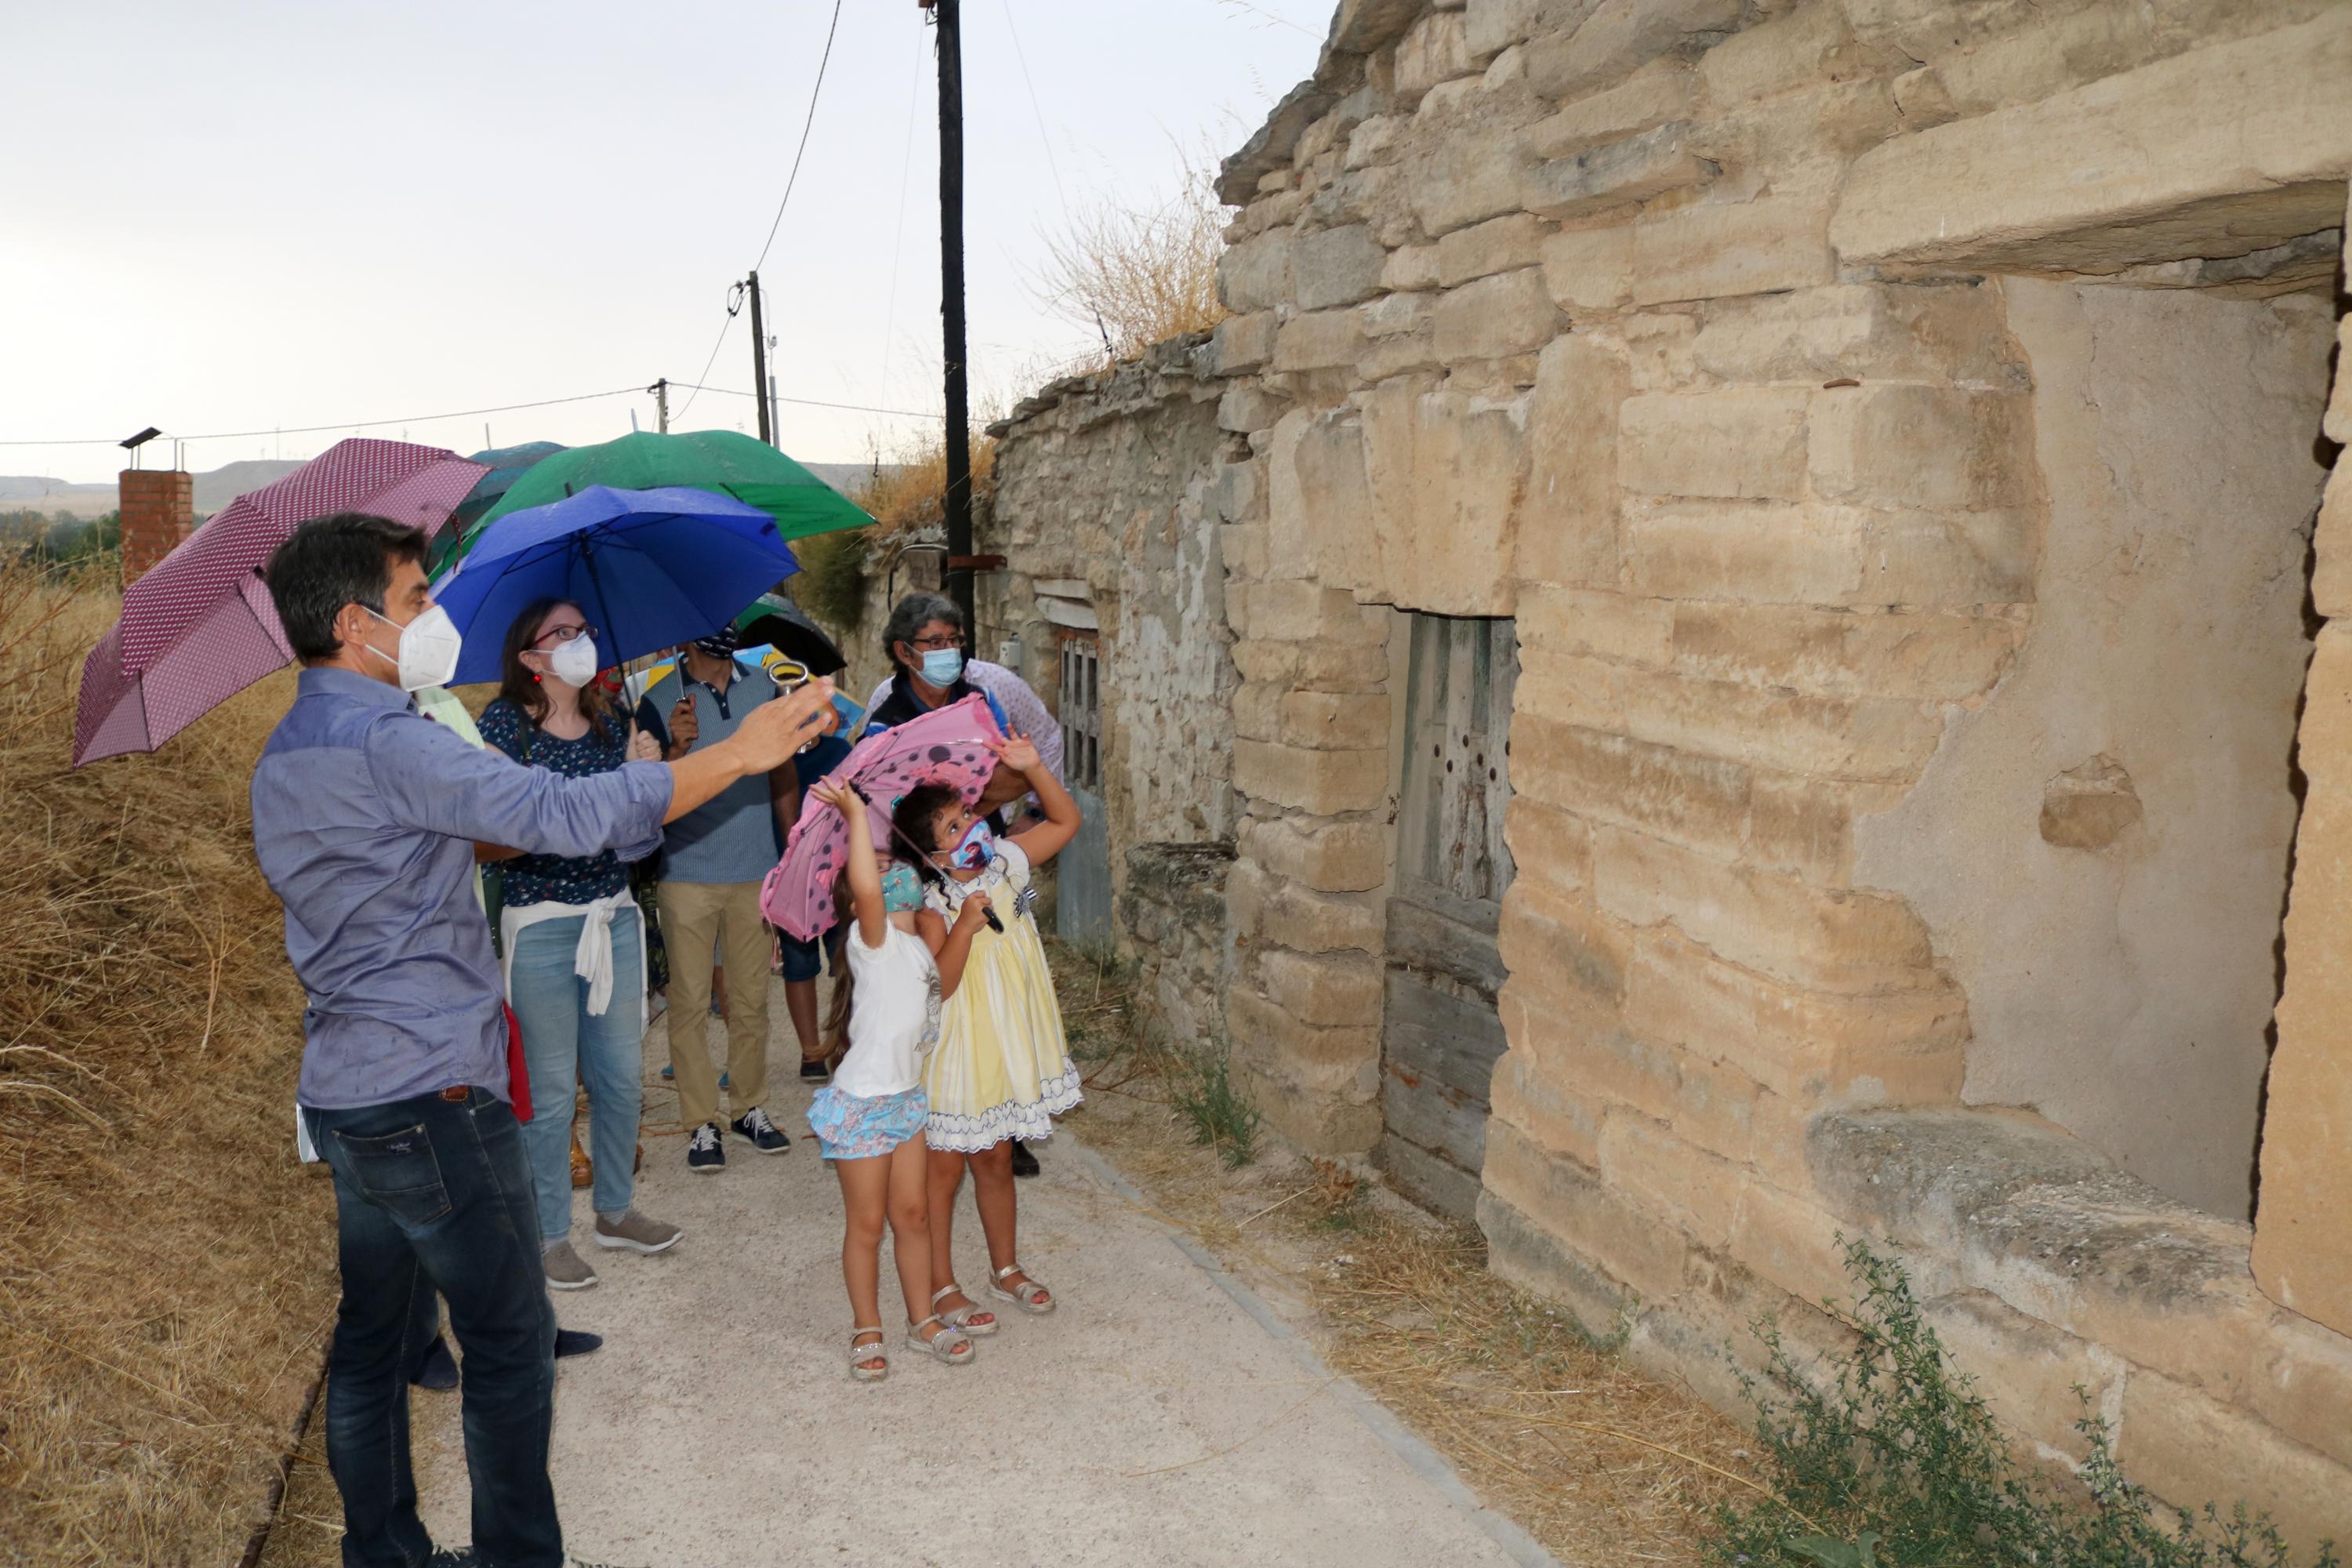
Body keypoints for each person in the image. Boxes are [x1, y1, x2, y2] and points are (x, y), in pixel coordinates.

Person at [251, 512, 832, 1568]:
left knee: (373, 1346)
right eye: (417, 597)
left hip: (348, 1091)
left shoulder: (294, 744)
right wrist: (743, 753)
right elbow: (556, 816)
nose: (433, 616)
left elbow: (457, 835)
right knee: (513, 1343)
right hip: (431, 1091)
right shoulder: (389, 737)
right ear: (354, 622)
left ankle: (382, 1552)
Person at [477, 599, 681, 1292]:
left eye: (585, 631)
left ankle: (617, 1212)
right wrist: (604, 796)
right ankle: (549, 1235)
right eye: (562, 634)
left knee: (622, 1078)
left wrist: (642, 782)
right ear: (531, 658)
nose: (580, 642)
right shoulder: (501, 727)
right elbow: (497, 833)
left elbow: (639, 845)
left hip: (614, 917)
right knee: (553, 1089)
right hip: (539, 927)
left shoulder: (614, 722)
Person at [865, 592, 1065, 1177]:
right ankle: (935, 1110)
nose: (949, 652)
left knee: (999, 988)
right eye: (935, 642)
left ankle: (1005, 1116)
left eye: (955, 640)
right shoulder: (887, 717)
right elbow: (889, 811)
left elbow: (1012, 768)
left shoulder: (981, 700)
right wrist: (972, 794)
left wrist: (967, 799)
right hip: (921, 879)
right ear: (904, 652)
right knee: (937, 997)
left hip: (985, 864)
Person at [889, 732, 1082, 1338]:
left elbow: (1064, 820)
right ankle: (943, 1283)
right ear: (933, 856)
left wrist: (1031, 767)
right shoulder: (928, 906)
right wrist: (964, 928)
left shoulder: (1007, 862)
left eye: (965, 813)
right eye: (950, 829)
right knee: (943, 1171)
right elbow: (938, 989)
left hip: (1008, 1037)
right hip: (957, 1051)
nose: (967, 827)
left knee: (997, 1157)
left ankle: (1006, 1266)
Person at [803, 777, 992, 1379]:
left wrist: (963, 925)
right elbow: (864, 885)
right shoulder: (873, 939)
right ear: (858, 900)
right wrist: (858, 818)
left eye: (893, 861)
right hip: (863, 1104)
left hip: (907, 1101)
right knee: (865, 1225)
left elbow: (947, 983)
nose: (889, 872)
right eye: (876, 869)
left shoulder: (912, 948)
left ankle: (921, 1320)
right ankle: (867, 1326)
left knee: (911, 1218)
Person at [633, 628, 798, 1171]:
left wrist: (792, 843)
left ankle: (749, 1106)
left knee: (750, 1000)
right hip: (687, 874)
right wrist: (677, 748)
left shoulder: (766, 690)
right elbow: (645, 798)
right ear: (687, 635)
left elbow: (783, 771)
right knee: (689, 1005)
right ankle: (701, 1121)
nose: (727, 627)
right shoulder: (658, 702)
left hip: (754, 870)